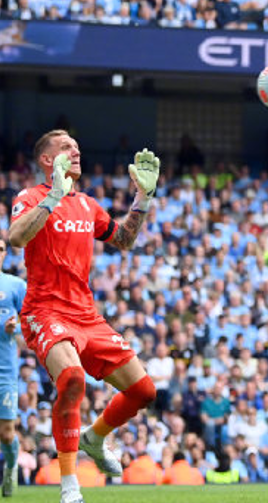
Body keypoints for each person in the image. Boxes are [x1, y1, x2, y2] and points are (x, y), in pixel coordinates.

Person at [9, 130, 160, 503]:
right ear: (47, 160)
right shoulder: (30, 197)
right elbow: (15, 237)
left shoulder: (88, 205)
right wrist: (54, 197)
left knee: (144, 392)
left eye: (77, 146)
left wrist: (142, 199)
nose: (76, 151)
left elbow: (123, 240)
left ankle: (95, 437)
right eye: (65, 148)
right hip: (45, 311)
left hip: (86, 314)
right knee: (73, 379)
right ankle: (70, 487)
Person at [0, 240, 25, 497]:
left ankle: (10, 466)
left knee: (6, 434)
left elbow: (31, 320)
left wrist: (14, 327)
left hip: (4, 370)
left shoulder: (15, 285)